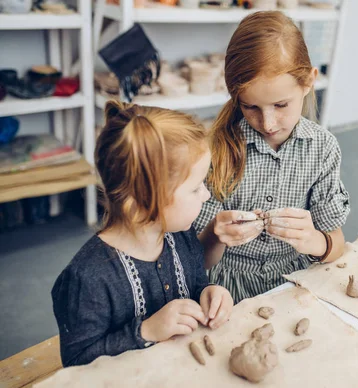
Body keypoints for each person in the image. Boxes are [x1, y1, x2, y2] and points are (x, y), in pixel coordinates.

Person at [52, 101, 233, 367]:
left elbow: (194, 284)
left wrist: (209, 293)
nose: (206, 195)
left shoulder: (180, 236)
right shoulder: (88, 278)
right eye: (195, 188)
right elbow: (77, 362)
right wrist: (146, 331)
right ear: (139, 206)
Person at [195, 11, 351, 303]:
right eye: (250, 107)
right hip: (223, 288)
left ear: (308, 82)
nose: (267, 123)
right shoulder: (214, 150)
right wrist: (217, 234)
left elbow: (337, 245)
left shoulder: (323, 149)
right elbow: (197, 260)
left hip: (294, 280)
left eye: (281, 105)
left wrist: (312, 240)